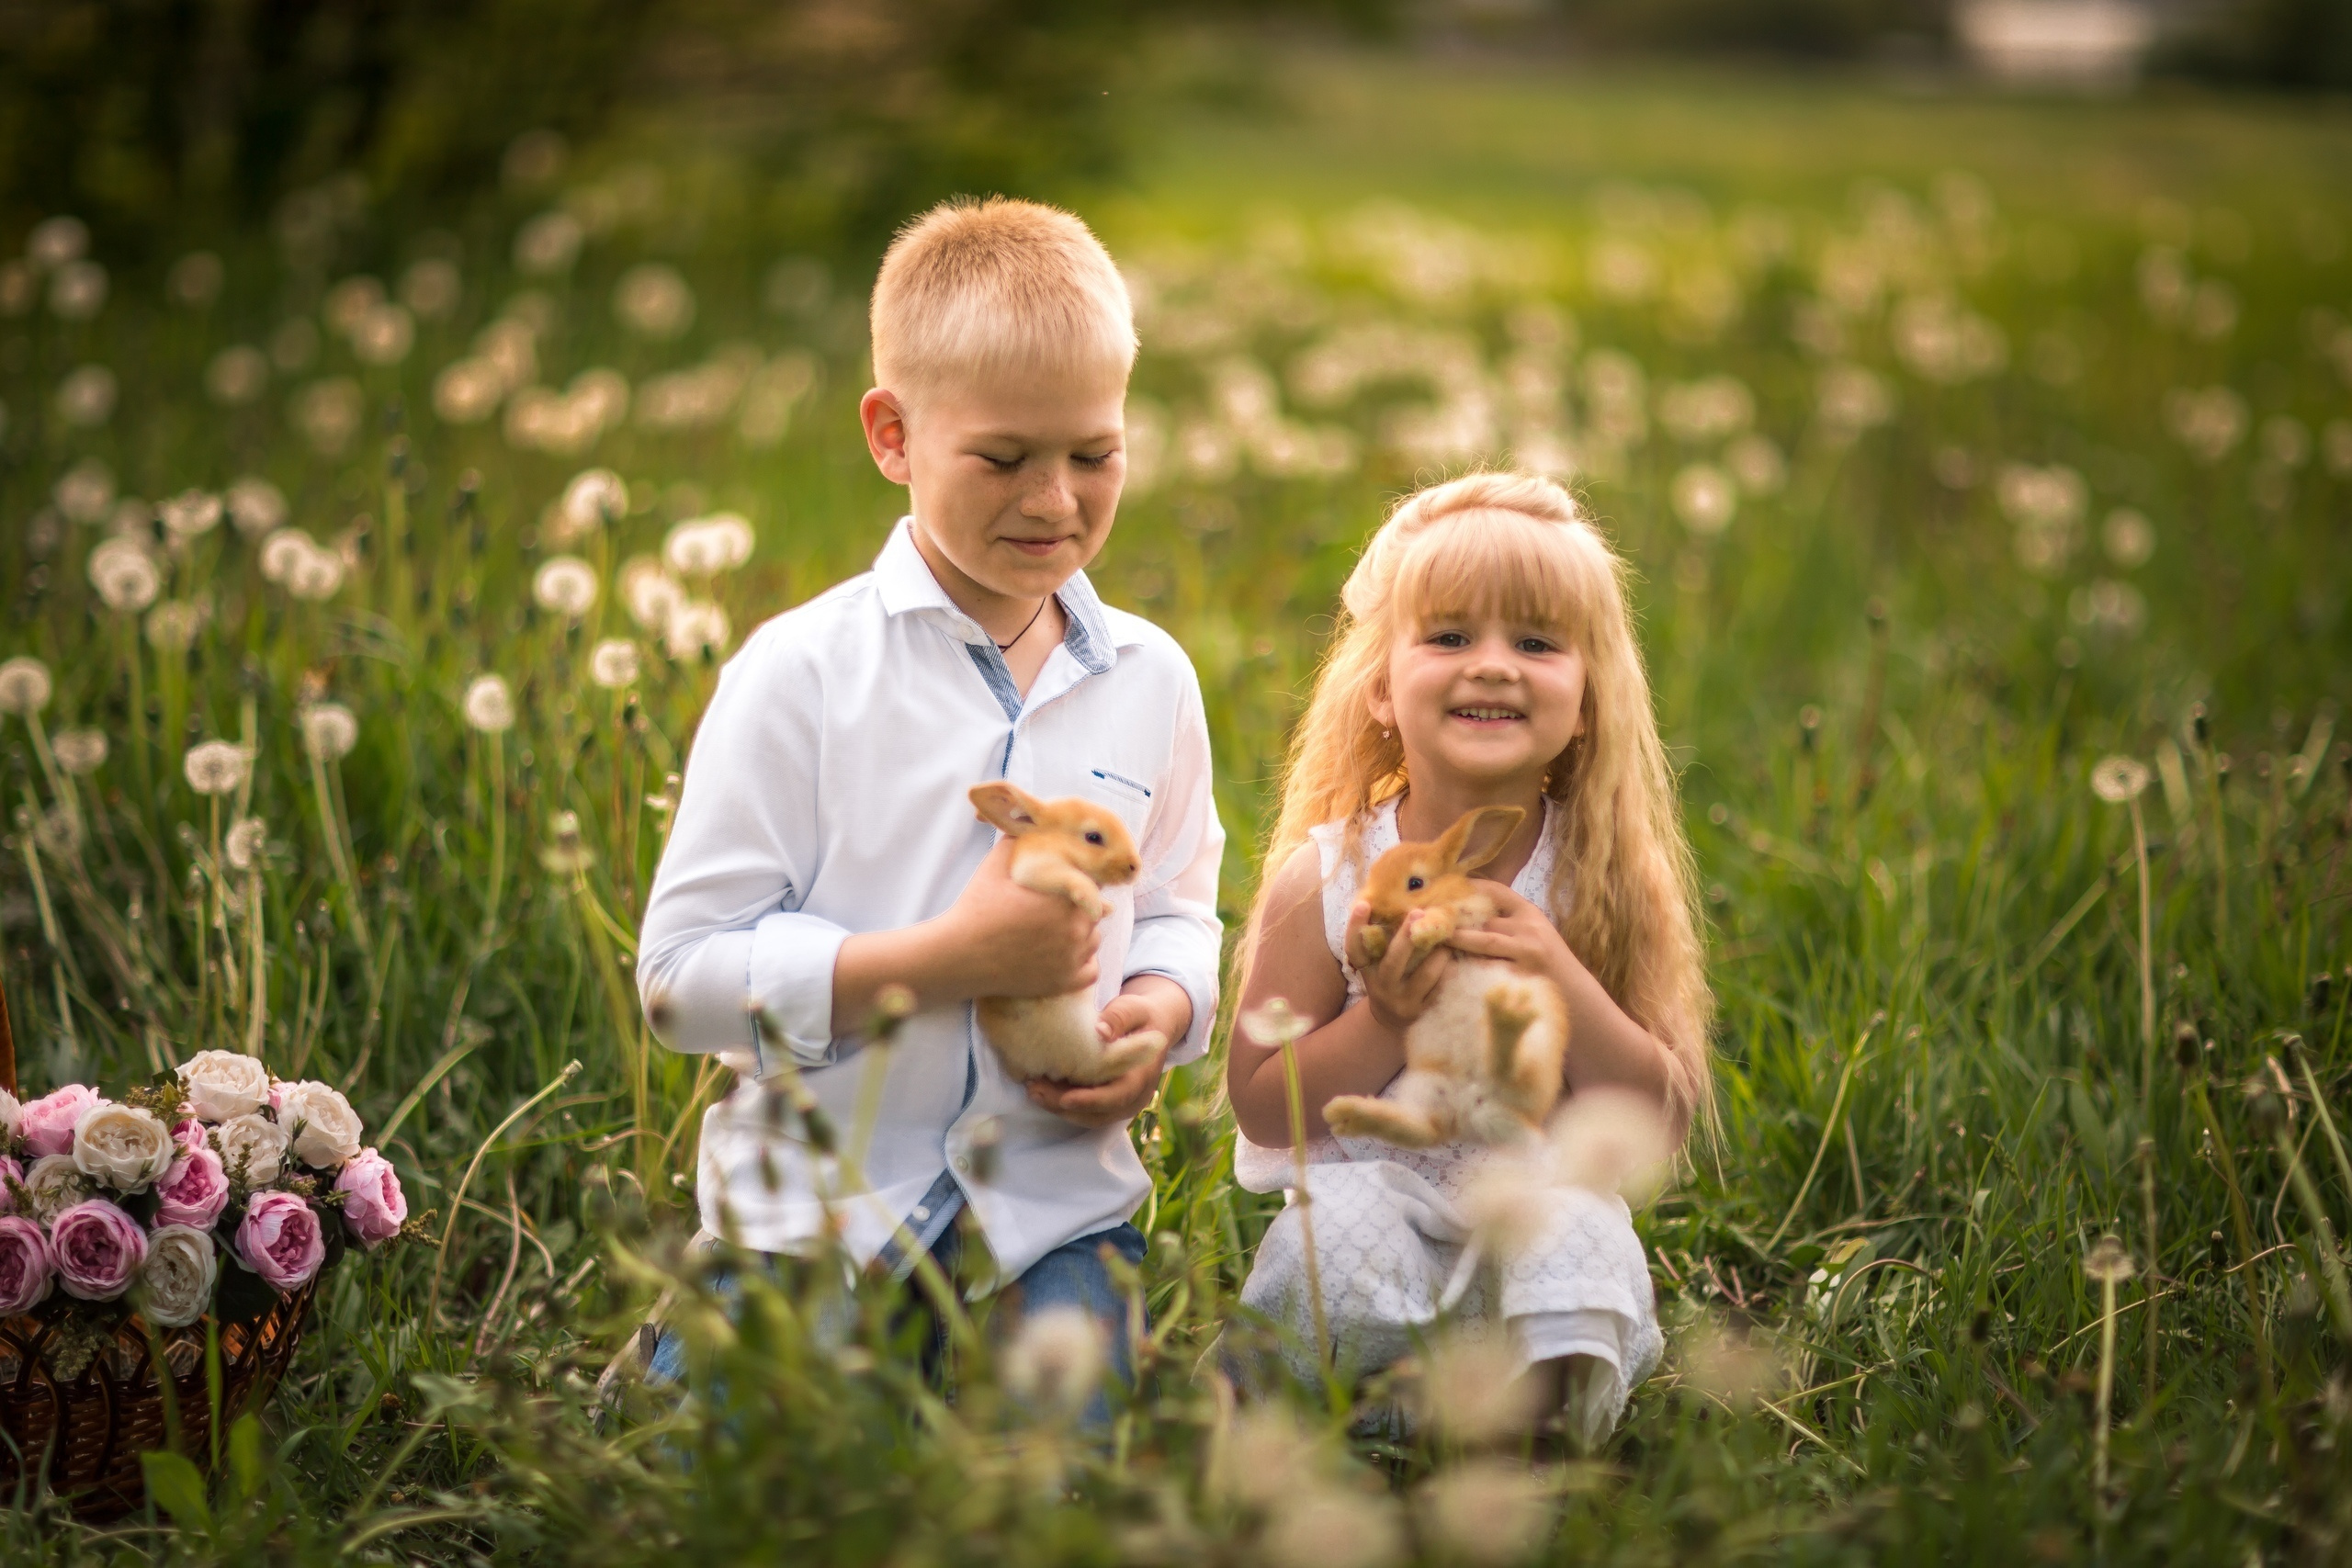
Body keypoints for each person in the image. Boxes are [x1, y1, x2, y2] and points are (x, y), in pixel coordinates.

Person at [634, 197, 1223, 1391]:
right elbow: (680, 981)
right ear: (893, 435)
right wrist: (943, 961)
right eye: (1003, 459)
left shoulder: (1150, 677)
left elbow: (1176, 908)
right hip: (816, 1216)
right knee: (754, 1469)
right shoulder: (800, 675)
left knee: (1059, 1471)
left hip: (1052, 1216)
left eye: (1094, 455)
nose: (1054, 500)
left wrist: (1161, 1012)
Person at [1224, 469, 1711, 1446]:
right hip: (1380, 1206)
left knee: (1578, 1229)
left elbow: (1660, 1117)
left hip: (1536, 1205)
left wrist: (1559, 975)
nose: (1492, 666)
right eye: (1448, 637)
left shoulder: (1605, 876)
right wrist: (1386, 1019)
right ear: (1380, 688)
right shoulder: (1329, 879)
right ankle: (1363, 1424)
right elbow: (1261, 1103)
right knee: (1337, 1234)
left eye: (1535, 642)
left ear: (1588, 700)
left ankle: (1535, 1436)